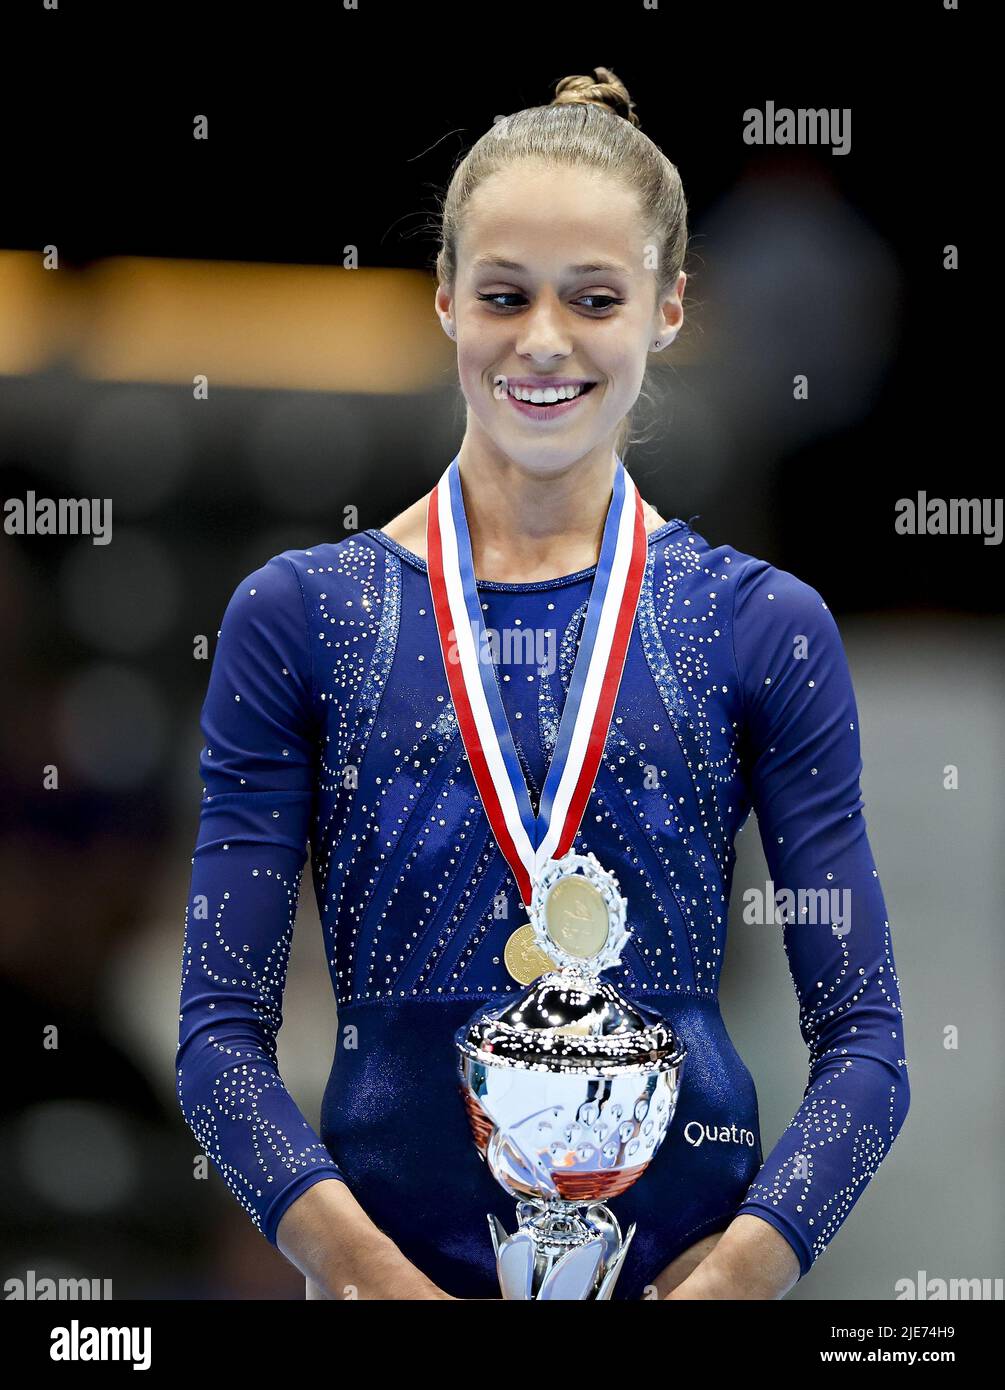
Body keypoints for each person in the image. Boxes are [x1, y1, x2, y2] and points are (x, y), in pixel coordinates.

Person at [175, 67, 910, 1300]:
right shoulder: (305, 616)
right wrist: (362, 1274)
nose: (546, 341)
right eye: (505, 296)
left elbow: (869, 1046)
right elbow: (219, 1040)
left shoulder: (758, 626)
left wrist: (746, 1271)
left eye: (596, 298)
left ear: (670, 308)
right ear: (447, 301)